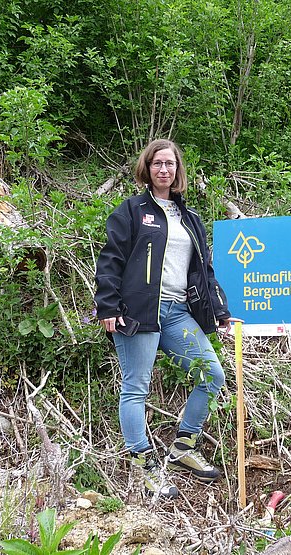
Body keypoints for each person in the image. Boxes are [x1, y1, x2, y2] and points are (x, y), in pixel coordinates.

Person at [95, 139, 231, 498]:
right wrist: (108, 305)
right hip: (137, 314)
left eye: (170, 164)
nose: (163, 170)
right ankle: (143, 463)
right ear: (147, 168)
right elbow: (111, 260)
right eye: (157, 164)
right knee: (136, 386)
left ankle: (183, 446)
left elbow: (204, 271)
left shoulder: (190, 218)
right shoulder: (132, 210)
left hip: (176, 313)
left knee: (212, 375)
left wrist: (219, 310)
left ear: (177, 170)